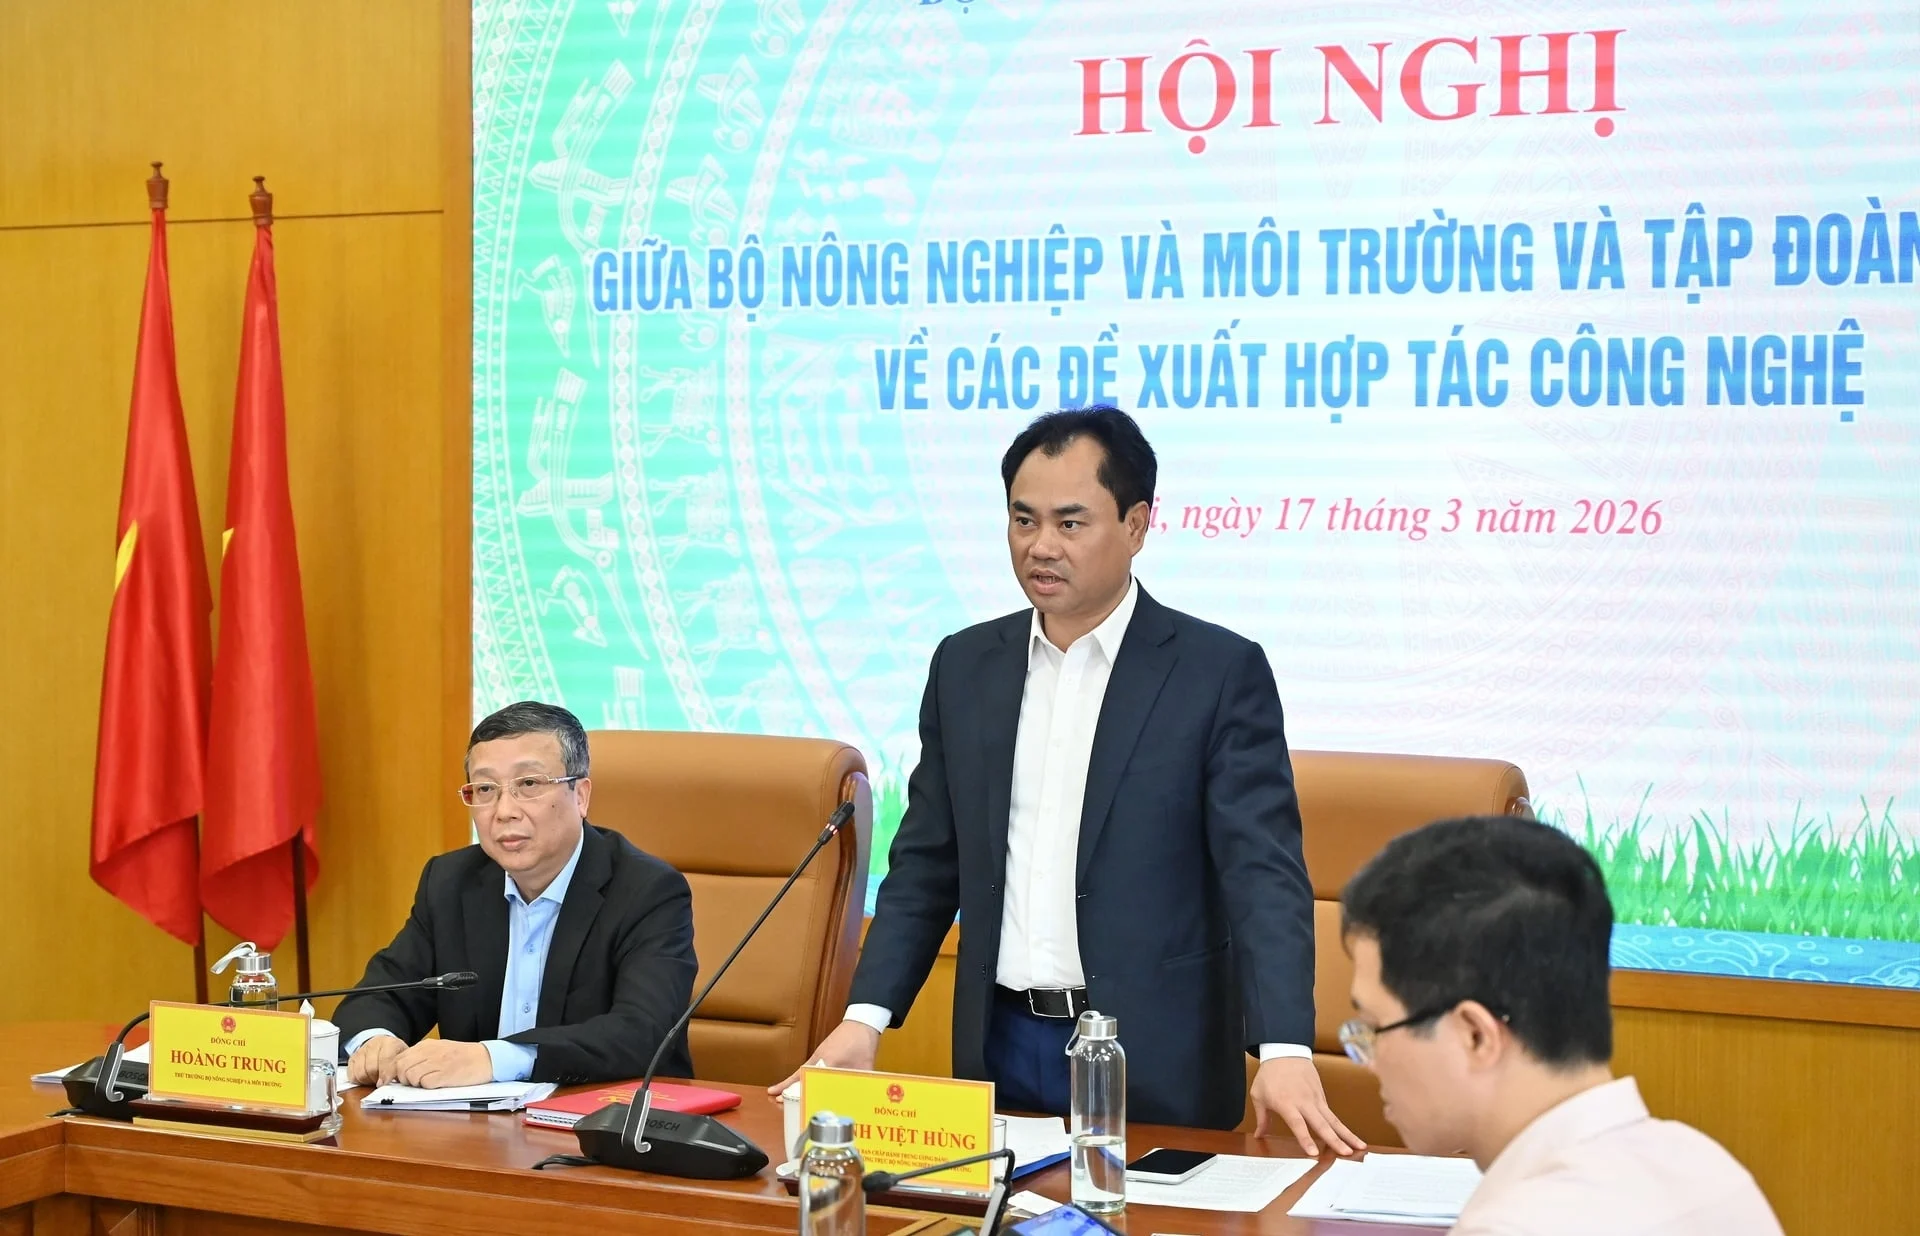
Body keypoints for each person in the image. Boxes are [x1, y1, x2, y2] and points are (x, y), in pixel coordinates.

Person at [775, 406, 1361, 1151]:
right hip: (1000, 1042)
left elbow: (1262, 874)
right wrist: (866, 1019)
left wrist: (1282, 1048)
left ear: (1137, 525)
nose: (1040, 546)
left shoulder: (1216, 673)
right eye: (1023, 520)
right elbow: (926, 863)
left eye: (1070, 523)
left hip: (1157, 1056)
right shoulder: (966, 666)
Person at [1339, 815, 1785, 1235]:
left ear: (1475, 1035)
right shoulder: (1710, 1169)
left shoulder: (1514, 1226)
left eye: (1375, 1027)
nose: (1368, 1061)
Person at [335, 701, 697, 1088]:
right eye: (485, 789)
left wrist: (495, 1058)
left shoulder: (647, 891)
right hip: (473, 1121)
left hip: (605, 1115)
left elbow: (643, 1033)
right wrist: (376, 1041)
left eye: (529, 785)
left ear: (580, 795)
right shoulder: (451, 882)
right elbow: (377, 997)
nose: (504, 811)